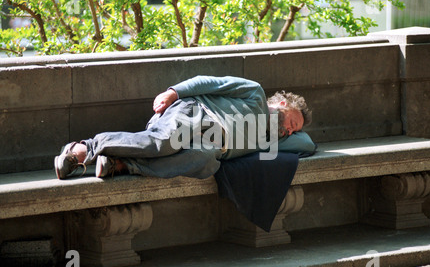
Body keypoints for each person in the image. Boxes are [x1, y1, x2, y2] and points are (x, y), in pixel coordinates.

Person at [54, 75, 316, 180]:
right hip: (195, 114)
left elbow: (306, 144)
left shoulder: (268, 140)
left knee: (204, 162)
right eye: (293, 123)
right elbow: (210, 82)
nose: (290, 131)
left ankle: (119, 164)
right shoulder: (255, 94)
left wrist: (291, 130)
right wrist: (173, 93)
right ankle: (82, 149)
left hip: (210, 146)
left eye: (293, 130)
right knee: (164, 143)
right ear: (282, 103)